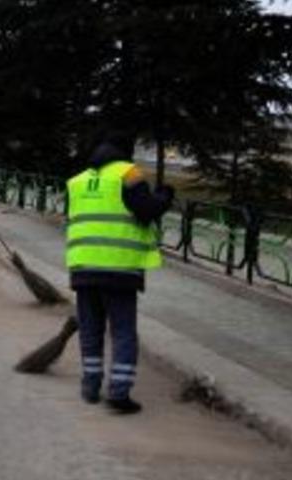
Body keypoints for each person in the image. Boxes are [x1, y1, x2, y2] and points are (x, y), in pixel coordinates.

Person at [66, 133, 174, 414]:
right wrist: (165, 196)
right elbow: (145, 211)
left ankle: (90, 387)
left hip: (83, 268)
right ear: (124, 153)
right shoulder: (128, 174)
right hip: (119, 269)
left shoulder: (77, 181)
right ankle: (119, 392)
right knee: (123, 331)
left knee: (90, 329)